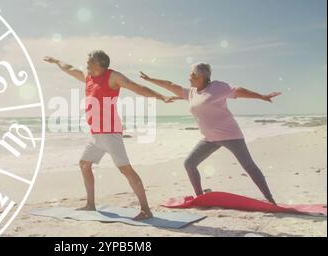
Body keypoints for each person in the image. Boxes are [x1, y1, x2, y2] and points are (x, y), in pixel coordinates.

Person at [44, 50, 175, 220]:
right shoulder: (88, 76)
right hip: (96, 135)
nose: (86, 65)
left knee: (126, 170)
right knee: (84, 164)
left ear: (99, 63)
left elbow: (137, 88)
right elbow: (68, 68)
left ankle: (145, 210)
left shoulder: (113, 77)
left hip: (110, 133)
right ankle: (90, 204)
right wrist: (55, 60)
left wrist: (160, 96)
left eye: (89, 61)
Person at [140, 63, 281, 204]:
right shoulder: (191, 93)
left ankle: (270, 199)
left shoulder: (217, 87)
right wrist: (150, 79)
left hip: (230, 135)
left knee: (249, 166)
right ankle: (200, 197)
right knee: (189, 163)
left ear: (202, 77)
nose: (189, 77)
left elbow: (238, 91)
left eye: (193, 75)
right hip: (209, 139)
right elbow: (169, 84)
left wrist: (262, 96)